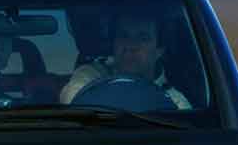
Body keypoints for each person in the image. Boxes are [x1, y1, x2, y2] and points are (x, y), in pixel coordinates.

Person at [59, 11, 192, 110]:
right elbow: (73, 102)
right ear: (114, 43)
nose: (130, 46)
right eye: (124, 36)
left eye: (143, 38)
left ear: (159, 50)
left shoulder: (176, 104)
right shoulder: (91, 73)